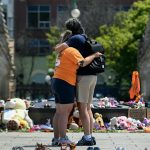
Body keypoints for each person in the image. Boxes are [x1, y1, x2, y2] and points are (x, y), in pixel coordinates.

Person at [51, 29, 101, 146]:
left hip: (56, 81)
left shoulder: (61, 52)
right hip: (65, 82)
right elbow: (83, 63)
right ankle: (63, 139)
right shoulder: (72, 50)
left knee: (59, 112)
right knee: (65, 113)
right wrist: (94, 55)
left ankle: (56, 139)